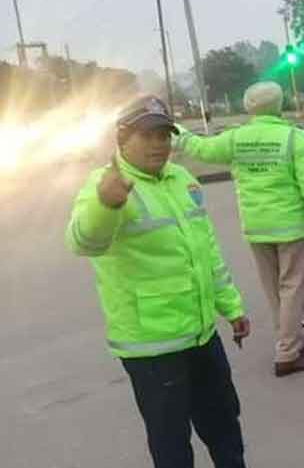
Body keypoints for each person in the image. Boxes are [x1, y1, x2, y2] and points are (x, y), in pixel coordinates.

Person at [66, 96, 250, 468]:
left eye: (164, 135)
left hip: (201, 336)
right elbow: (84, 242)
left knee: (225, 428)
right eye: (147, 135)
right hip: (153, 349)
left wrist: (231, 306)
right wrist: (106, 204)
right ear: (122, 139)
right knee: (172, 446)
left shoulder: (181, 179)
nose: (158, 144)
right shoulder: (106, 184)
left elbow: (206, 251)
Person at [176, 81, 304, 377]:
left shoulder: (236, 138)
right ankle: (288, 352)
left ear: (249, 107)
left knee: (274, 291)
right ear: (279, 104)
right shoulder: (293, 138)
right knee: (292, 288)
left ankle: (289, 342)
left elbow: (201, 149)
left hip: (257, 227)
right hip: (291, 226)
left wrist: (177, 132)